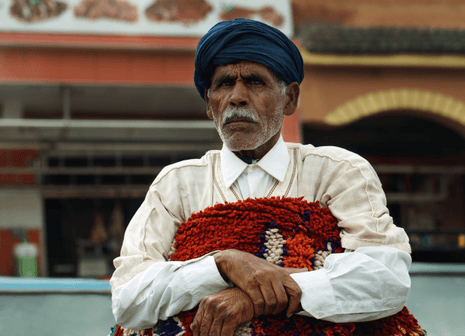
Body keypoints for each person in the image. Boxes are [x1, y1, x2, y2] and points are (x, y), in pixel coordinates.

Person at [110, 18, 412, 336]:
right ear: (210, 106)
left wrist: (251, 299)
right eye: (225, 83)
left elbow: (385, 278)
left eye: (255, 82)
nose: (237, 97)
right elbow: (129, 300)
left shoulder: (336, 172)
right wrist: (223, 264)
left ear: (290, 98)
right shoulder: (177, 184)